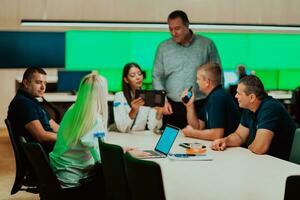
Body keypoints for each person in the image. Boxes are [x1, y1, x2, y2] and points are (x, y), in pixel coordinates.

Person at [152, 10, 221, 129]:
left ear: (187, 25)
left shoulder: (207, 45)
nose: (173, 32)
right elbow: (156, 76)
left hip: (201, 104)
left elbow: (217, 75)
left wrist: (214, 103)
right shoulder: (163, 47)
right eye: (170, 29)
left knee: (199, 143)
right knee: (169, 144)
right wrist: (162, 101)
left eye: (177, 28)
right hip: (172, 107)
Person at [49, 73, 108, 198]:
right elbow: (101, 160)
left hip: (58, 175)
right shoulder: (94, 119)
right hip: (73, 183)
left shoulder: (74, 109)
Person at [211, 75, 296, 160]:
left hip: (284, 165)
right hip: (266, 161)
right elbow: (239, 136)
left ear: (252, 97)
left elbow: (260, 148)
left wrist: (249, 145)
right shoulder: (249, 108)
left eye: (239, 93)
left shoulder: (270, 108)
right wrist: (224, 141)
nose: (236, 96)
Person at [181, 63, 240, 140]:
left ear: (207, 82)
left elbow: (217, 134)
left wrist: (192, 133)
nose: (196, 82)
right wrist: (189, 106)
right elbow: (198, 126)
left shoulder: (217, 97)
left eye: (198, 79)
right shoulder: (212, 96)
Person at [7, 67, 58, 153]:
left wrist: (73, 135)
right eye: (38, 82)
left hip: (52, 149)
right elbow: (41, 136)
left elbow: (55, 127)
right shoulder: (23, 103)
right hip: (44, 156)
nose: (43, 87)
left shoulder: (32, 101)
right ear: (26, 83)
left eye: (45, 83)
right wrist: (68, 139)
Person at [113, 62, 163, 133]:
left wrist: (159, 113)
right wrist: (133, 110)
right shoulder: (119, 96)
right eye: (133, 75)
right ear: (126, 80)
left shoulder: (148, 95)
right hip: (122, 138)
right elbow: (122, 128)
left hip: (139, 139)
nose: (138, 77)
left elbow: (152, 127)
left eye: (140, 74)